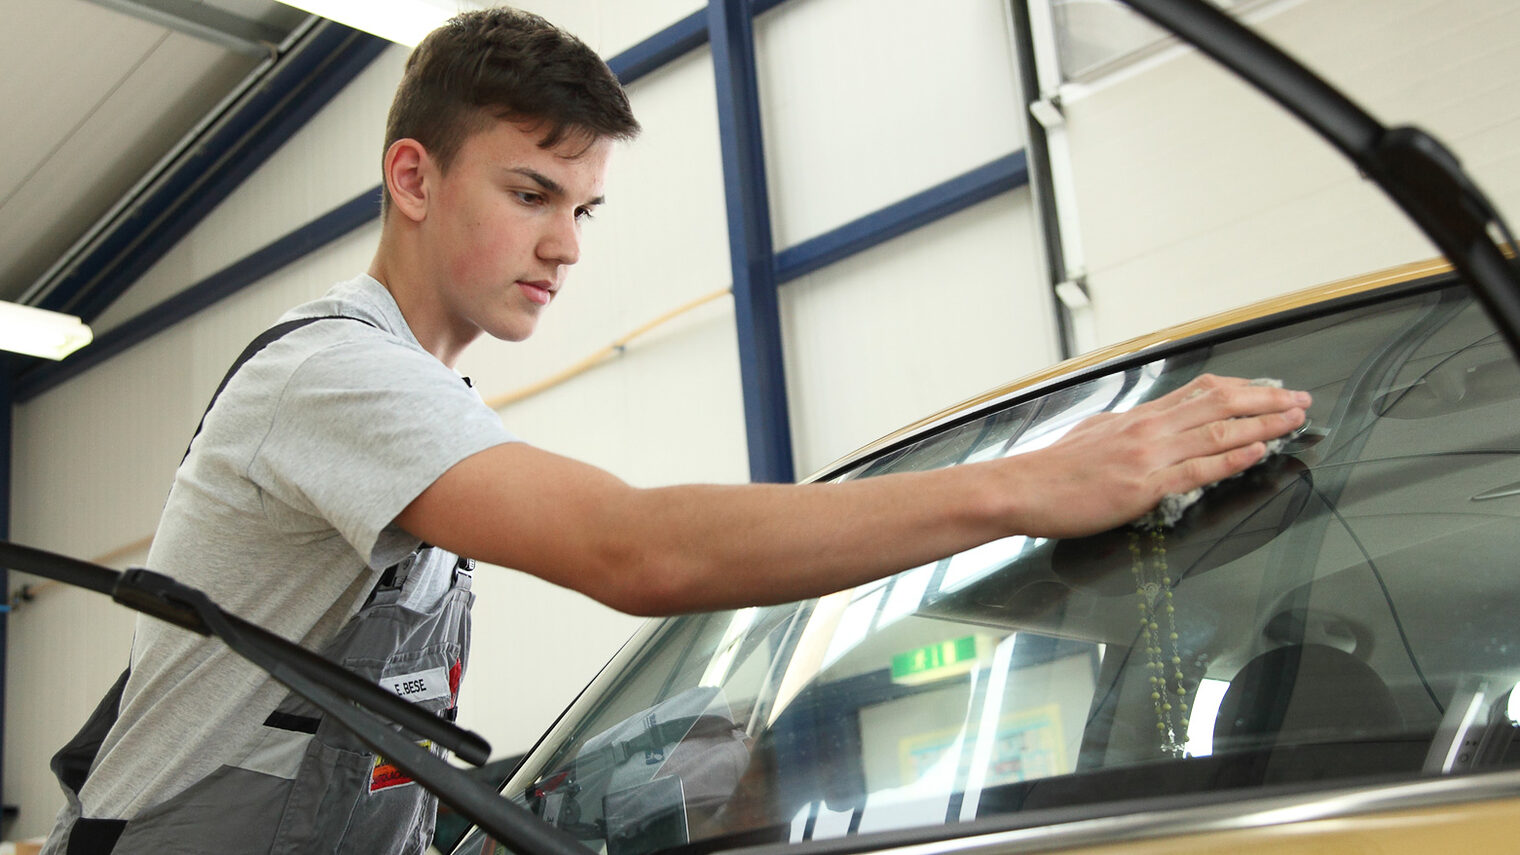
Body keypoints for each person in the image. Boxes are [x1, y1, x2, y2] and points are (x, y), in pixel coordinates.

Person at [41, 7, 1310, 855]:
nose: (562, 245)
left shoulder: (426, 406)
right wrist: (1031, 485)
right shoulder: (331, 376)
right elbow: (633, 549)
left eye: (584, 209)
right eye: (531, 193)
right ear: (414, 178)